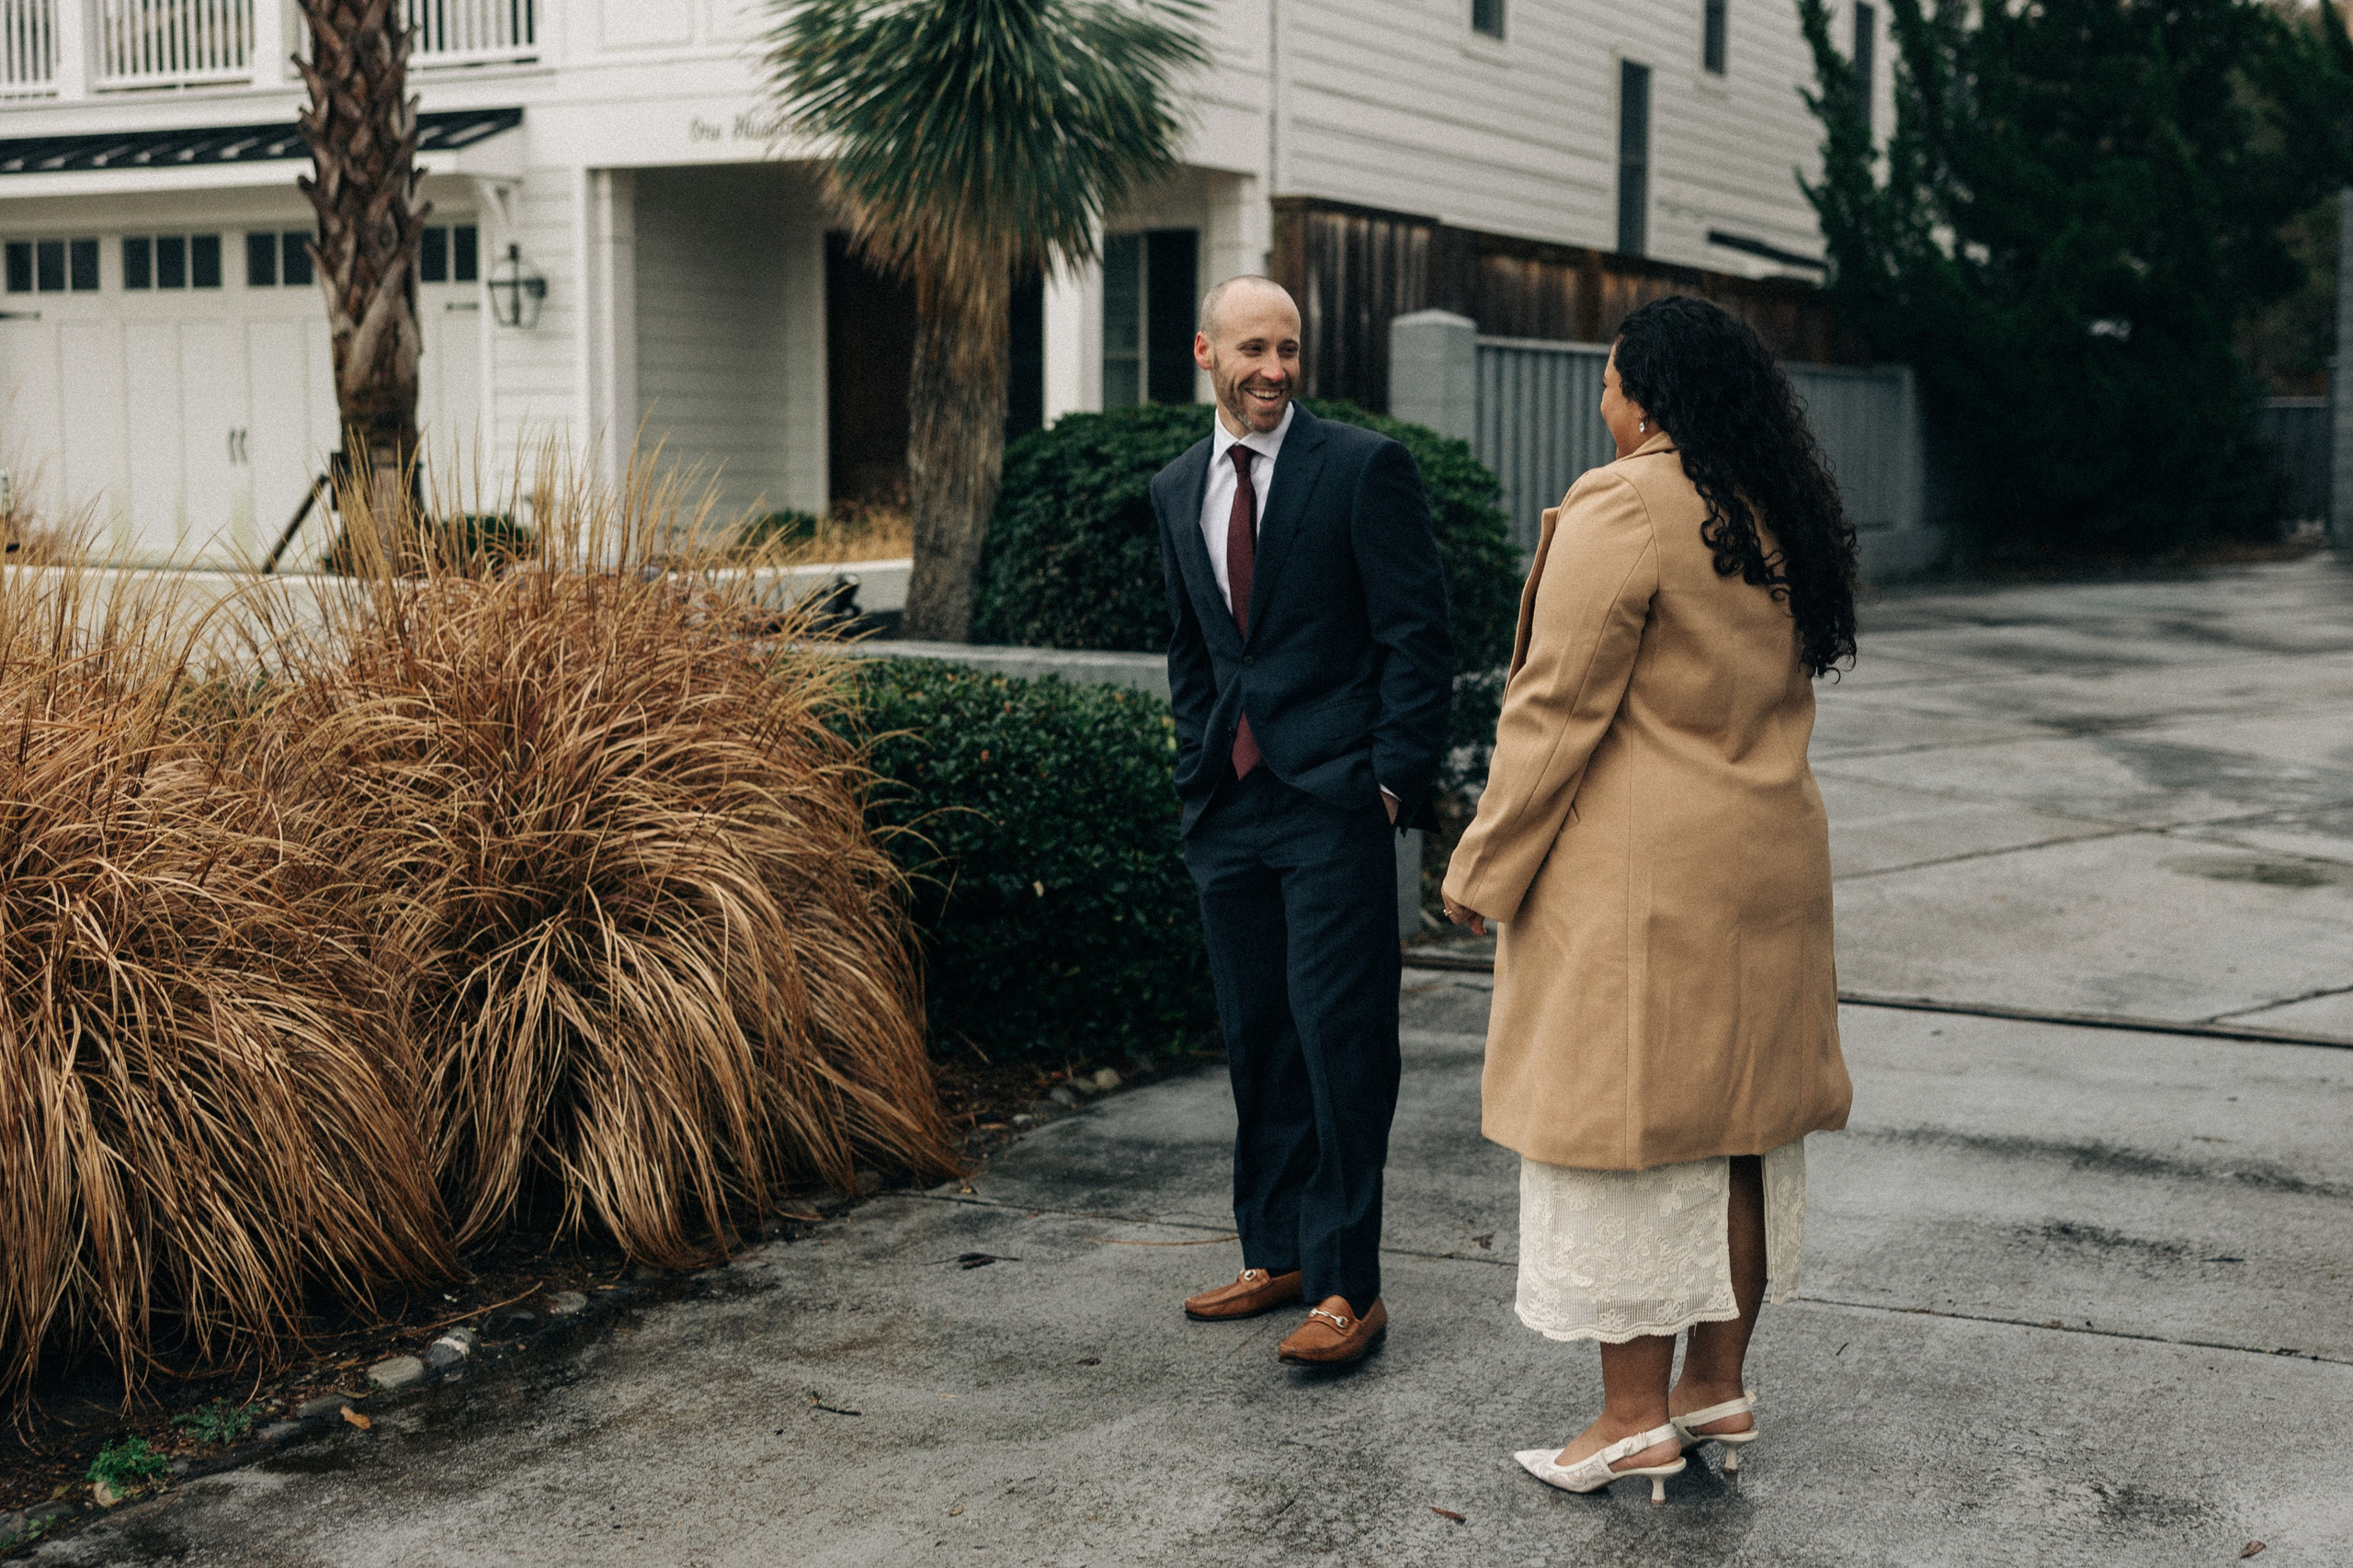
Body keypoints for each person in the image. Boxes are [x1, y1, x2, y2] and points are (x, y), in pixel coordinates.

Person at [1440, 294, 1858, 1500]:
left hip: (1646, 884)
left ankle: (1630, 1420)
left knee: (1630, 1144)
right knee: (1740, 1134)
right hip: (1768, 867)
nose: (1602, 401)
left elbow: (1555, 708)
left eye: (1609, 381)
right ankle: (1712, 1384)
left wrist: (1481, 868)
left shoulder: (1626, 502)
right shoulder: (1773, 503)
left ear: (1646, 396)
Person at [1153, 275, 1452, 1366]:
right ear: (1205, 352)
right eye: (1252, 349)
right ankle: (1275, 1252)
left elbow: (1417, 636)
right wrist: (1195, 766)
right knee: (1258, 1038)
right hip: (1228, 804)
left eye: (1287, 347)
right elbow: (1194, 647)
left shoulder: (1362, 468)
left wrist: (1389, 783)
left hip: (1333, 803)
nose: (1273, 368)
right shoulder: (1176, 485)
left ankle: (1344, 1287)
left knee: (1339, 1042)